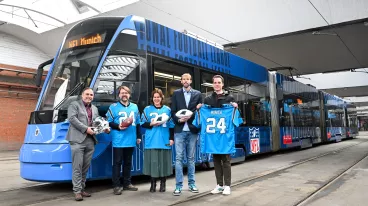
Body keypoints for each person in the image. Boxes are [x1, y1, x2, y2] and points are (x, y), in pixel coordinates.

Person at [197, 75, 239, 195]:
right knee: (216, 160)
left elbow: (235, 118)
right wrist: (200, 108)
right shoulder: (208, 99)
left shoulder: (229, 98)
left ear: (222, 84)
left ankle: (227, 185)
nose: (216, 84)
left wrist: (235, 108)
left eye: (218, 82)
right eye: (214, 82)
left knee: (226, 160)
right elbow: (202, 115)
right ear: (212, 84)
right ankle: (219, 185)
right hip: (213, 136)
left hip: (224, 135)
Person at [66, 87, 110, 201]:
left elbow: (96, 123)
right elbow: (72, 119)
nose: (89, 96)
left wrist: (104, 128)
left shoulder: (94, 108)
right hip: (77, 140)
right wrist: (86, 129)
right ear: (82, 95)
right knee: (77, 167)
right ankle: (77, 191)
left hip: (90, 140)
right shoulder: (74, 105)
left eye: (91, 95)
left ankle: (82, 188)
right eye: (87, 94)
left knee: (85, 167)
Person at [170, 73, 202, 196]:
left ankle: (192, 184)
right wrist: (178, 120)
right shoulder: (176, 93)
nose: (186, 81)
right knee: (178, 158)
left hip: (192, 130)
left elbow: (199, 113)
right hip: (179, 130)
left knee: (191, 158)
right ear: (181, 81)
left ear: (191, 81)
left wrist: (197, 109)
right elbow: (173, 111)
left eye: (188, 79)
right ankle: (178, 186)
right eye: (184, 79)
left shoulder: (198, 94)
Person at [106, 86, 141, 195]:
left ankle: (127, 183)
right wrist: (118, 126)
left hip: (131, 139)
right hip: (119, 139)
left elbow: (138, 123)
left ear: (129, 94)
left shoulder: (135, 107)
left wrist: (138, 136)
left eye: (126, 92)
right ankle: (116, 185)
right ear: (119, 95)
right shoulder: (113, 107)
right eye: (122, 93)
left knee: (128, 162)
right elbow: (109, 122)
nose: (124, 94)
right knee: (117, 163)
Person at [141, 88, 174, 193]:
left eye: (158, 97)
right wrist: (151, 124)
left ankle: (163, 184)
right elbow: (142, 122)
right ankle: (153, 184)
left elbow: (172, 125)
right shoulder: (147, 109)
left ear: (161, 98)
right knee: (153, 163)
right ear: (152, 98)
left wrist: (171, 138)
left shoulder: (167, 110)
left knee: (164, 163)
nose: (156, 99)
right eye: (154, 97)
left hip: (164, 139)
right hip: (152, 140)